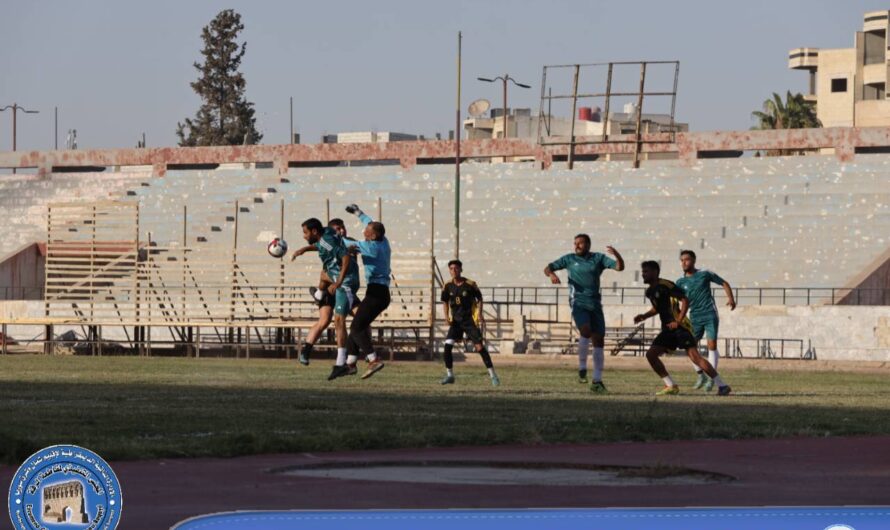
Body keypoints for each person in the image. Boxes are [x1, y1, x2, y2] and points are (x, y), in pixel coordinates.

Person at [634, 260, 731, 396]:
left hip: (680, 327)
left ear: (655, 272)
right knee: (651, 355)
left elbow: (685, 299)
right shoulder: (650, 291)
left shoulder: (666, 285)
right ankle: (670, 385)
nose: (643, 275)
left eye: (646, 272)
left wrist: (678, 321)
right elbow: (658, 308)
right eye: (643, 272)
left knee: (695, 357)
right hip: (668, 329)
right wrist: (644, 316)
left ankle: (722, 385)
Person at [544, 235, 624, 392]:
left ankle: (597, 381)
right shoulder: (569, 259)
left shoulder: (598, 258)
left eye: (580, 243)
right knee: (585, 330)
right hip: (578, 302)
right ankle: (582, 367)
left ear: (587, 244)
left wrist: (616, 254)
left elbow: (620, 267)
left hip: (595, 303)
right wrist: (552, 274)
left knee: (599, 341)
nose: (577, 246)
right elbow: (547, 268)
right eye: (575, 243)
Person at [290, 217, 361, 381]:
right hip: (335, 281)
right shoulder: (326, 236)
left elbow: (345, 256)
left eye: (305, 233)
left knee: (349, 320)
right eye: (337, 228)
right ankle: (319, 295)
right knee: (327, 318)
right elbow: (321, 245)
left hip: (343, 283)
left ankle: (350, 360)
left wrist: (339, 281)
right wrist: (304, 249)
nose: (303, 235)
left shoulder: (334, 241)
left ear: (314, 231)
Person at [675, 250, 737, 391]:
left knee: (711, 345)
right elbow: (679, 301)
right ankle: (700, 375)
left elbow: (724, 283)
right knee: (690, 347)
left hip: (709, 314)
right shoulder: (680, 282)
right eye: (682, 260)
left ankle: (711, 379)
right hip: (694, 317)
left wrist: (731, 299)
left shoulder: (704, 273)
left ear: (694, 260)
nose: (684, 262)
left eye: (687, 259)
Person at [341, 203, 390, 379]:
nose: (364, 231)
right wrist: (358, 213)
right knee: (357, 325)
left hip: (376, 293)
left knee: (356, 327)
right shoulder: (383, 241)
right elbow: (370, 222)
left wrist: (329, 235)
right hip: (380, 293)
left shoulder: (371, 247)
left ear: (373, 235)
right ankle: (351, 364)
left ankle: (373, 359)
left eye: (367, 230)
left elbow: (348, 243)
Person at [440, 260, 499, 387]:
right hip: (456, 322)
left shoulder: (470, 284)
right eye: (451, 268)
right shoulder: (447, 285)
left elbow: (480, 298)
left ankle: (493, 375)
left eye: (456, 268)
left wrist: (480, 314)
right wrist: (446, 317)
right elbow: (445, 301)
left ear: (461, 269)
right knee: (447, 346)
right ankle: (450, 375)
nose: (453, 271)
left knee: (479, 348)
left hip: (469, 321)